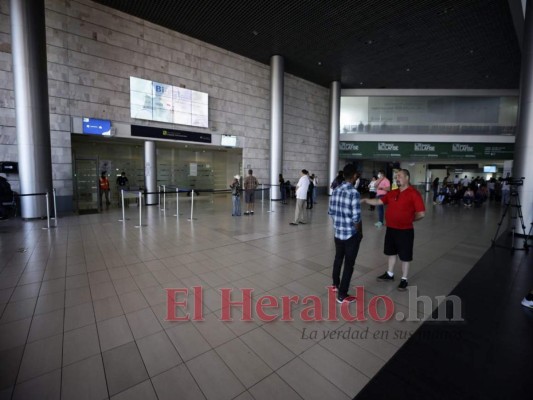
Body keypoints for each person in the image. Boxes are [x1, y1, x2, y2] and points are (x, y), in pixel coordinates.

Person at [361, 169, 426, 291]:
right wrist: (365, 200)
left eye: (400, 176)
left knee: (405, 256)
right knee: (391, 253)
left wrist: (410, 219)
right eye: (396, 176)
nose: (397, 178)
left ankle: (404, 279)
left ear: (407, 178)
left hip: (405, 231)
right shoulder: (393, 193)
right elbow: (379, 201)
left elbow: (421, 213)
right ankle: (390, 274)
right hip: (391, 229)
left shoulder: (414, 193)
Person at [328, 164, 363, 303]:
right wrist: (359, 232)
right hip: (350, 235)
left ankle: (335, 285)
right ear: (354, 176)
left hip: (338, 233)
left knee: (338, 259)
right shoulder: (354, 193)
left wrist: (339, 223)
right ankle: (342, 294)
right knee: (349, 264)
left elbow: (330, 212)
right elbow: (356, 218)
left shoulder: (335, 190)